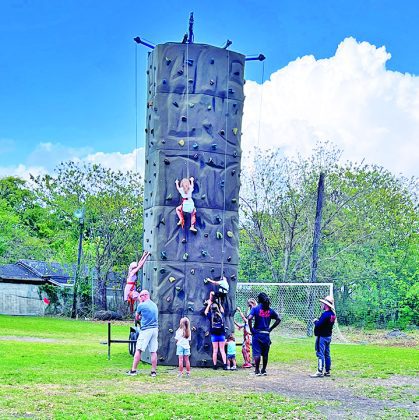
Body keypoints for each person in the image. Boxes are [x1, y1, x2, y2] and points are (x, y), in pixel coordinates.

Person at [126, 290, 159, 377]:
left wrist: (140, 314)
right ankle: (153, 372)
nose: (140, 298)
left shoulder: (141, 305)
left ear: (144, 295)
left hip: (146, 330)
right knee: (153, 351)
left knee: (138, 349)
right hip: (155, 330)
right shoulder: (154, 305)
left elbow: (137, 317)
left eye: (140, 296)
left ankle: (133, 370)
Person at [248, 292, 281, 376]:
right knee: (265, 354)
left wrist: (251, 329)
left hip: (257, 334)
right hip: (266, 335)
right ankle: (264, 370)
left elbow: (249, 318)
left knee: (257, 353)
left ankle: (257, 370)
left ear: (259, 300)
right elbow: (278, 319)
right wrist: (270, 328)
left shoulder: (255, 309)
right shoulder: (270, 310)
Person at [310, 295, 336, 378]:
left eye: (323, 304)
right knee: (327, 354)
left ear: (326, 305)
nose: (322, 305)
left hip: (322, 337)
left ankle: (319, 371)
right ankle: (327, 371)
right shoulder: (332, 314)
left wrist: (315, 321)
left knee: (320, 353)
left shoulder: (325, 315)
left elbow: (319, 325)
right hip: (328, 336)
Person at [204, 291, 227, 370]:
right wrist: (219, 304)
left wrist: (209, 304)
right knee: (222, 350)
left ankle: (214, 366)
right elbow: (222, 310)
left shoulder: (211, 316)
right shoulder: (221, 316)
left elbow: (205, 312)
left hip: (214, 335)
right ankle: (224, 365)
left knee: (215, 351)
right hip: (221, 335)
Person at [234, 298, 257, 368]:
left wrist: (239, 311)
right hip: (247, 333)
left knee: (246, 348)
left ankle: (249, 362)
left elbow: (246, 319)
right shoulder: (250, 311)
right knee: (245, 348)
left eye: (250, 305)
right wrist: (234, 322)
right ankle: (249, 362)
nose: (249, 306)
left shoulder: (255, 311)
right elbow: (244, 323)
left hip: (249, 334)